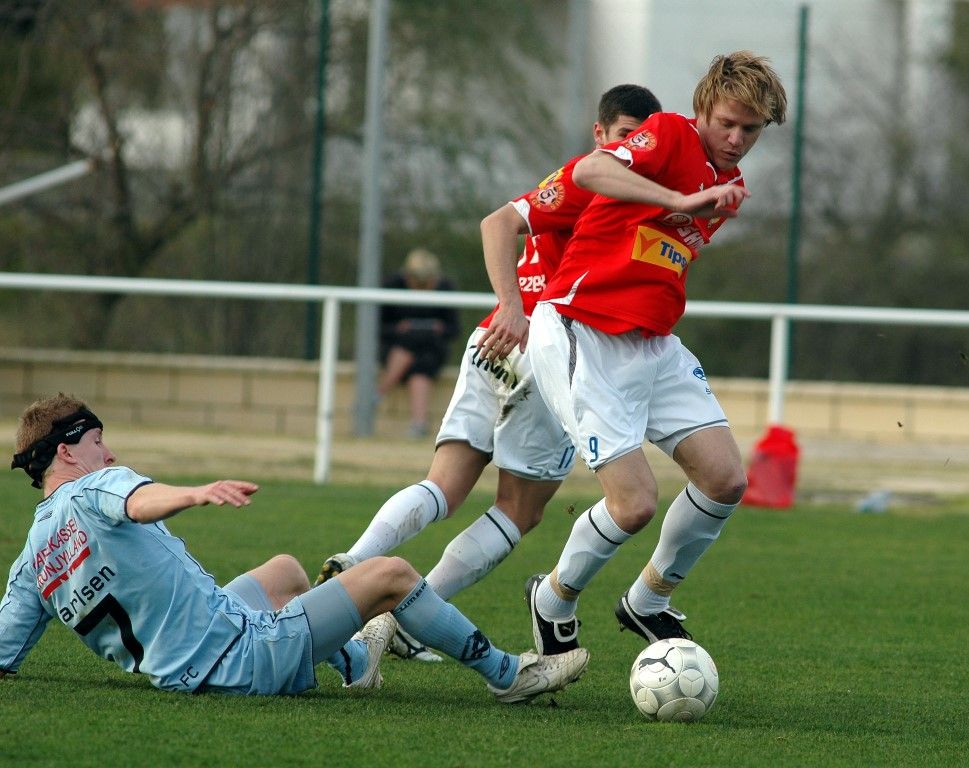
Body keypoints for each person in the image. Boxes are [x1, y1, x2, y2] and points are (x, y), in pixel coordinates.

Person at [313, 85, 664, 661]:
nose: (635, 147)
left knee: (444, 486)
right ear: (600, 135)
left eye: (644, 138)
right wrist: (517, 308)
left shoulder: (576, 180)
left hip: (493, 340)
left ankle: (356, 562)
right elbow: (496, 223)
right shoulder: (601, 185)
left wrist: (508, 305)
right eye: (626, 135)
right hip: (547, 348)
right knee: (519, 510)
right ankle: (410, 613)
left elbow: (504, 223)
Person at [0, 394, 588, 701]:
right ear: (67, 452)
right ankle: (509, 675)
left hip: (180, 664)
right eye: (99, 441)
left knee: (284, 569)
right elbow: (137, 501)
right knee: (393, 574)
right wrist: (195, 493)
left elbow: (4, 652)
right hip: (240, 660)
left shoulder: (31, 558)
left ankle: (357, 663)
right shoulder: (97, 486)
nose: (110, 452)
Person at [522, 52, 787, 654]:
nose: (737, 139)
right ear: (702, 111)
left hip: (651, 341)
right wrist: (682, 199)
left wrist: (697, 201)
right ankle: (553, 597)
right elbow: (591, 173)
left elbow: (655, 253)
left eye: (751, 129)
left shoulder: (730, 186)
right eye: (727, 123)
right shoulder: (667, 133)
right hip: (580, 330)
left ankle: (648, 599)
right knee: (635, 503)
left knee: (725, 479)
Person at [378, 248, 460, 438]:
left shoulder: (445, 287)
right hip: (397, 346)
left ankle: (381, 392)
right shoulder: (392, 286)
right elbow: (377, 328)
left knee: (422, 361)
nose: (421, 287)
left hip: (430, 350)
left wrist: (440, 328)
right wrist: (399, 328)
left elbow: (454, 330)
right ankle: (419, 424)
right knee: (413, 349)